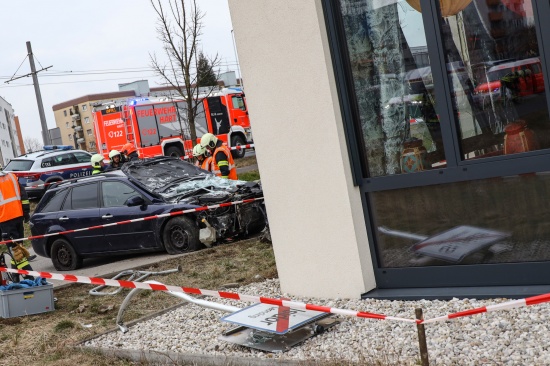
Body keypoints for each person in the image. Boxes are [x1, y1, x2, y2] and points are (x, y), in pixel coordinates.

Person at [0, 171, 34, 281]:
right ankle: (15, 277)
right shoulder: (12, 176)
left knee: (17, 252)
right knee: (18, 248)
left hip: (5, 220)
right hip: (18, 217)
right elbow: (23, 195)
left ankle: (31, 277)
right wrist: (26, 212)